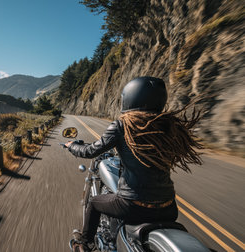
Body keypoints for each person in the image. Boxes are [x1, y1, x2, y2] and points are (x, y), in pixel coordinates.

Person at [65, 76, 203, 251]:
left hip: (133, 206)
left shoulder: (124, 125)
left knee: (93, 202)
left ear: (129, 98)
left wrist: (72, 146)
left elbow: (91, 151)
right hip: (168, 208)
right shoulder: (169, 127)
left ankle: (84, 244)